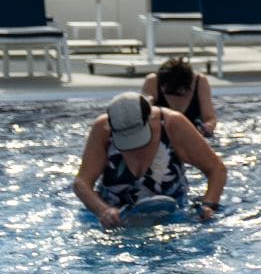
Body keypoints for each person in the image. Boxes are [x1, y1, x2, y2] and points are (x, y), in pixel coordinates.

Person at [73, 92, 227, 228]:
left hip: (173, 218)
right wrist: (104, 211)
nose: (133, 147)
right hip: (118, 221)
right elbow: (81, 183)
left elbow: (217, 169)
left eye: (137, 137)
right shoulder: (102, 129)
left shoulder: (173, 124)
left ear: (150, 117)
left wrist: (209, 205)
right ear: (111, 127)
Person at [141, 57, 216, 137]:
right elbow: (143, 117)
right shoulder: (152, 81)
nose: (174, 95)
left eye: (179, 92)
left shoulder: (200, 81)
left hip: (191, 135)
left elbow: (210, 118)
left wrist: (208, 126)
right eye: (169, 92)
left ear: (189, 85)